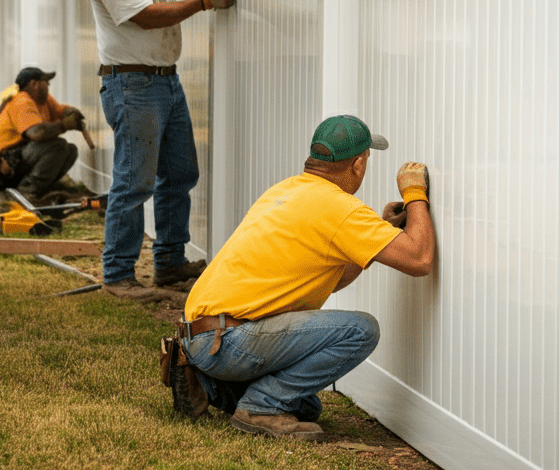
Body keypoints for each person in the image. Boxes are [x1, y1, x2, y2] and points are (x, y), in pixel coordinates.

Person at [175, 114, 434, 441]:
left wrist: (380, 231)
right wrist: (414, 194)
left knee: (306, 407)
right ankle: (259, 406)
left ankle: (213, 384)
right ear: (357, 165)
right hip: (229, 342)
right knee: (361, 329)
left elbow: (335, 278)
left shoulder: (286, 190)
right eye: (366, 161)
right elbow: (419, 258)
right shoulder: (341, 208)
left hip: (201, 335)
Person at [86, 0, 244, 301]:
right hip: (131, 86)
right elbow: (145, 17)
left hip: (164, 82)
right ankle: (118, 275)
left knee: (180, 172)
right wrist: (205, 1)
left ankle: (170, 264)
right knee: (134, 181)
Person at [0, 67, 87, 201]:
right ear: (34, 84)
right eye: (45, 82)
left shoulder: (43, 100)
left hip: (19, 157)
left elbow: (60, 110)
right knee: (58, 146)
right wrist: (65, 125)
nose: (48, 85)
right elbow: (36, 133)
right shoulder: (22, 102)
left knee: (70, 150)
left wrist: (71, 112)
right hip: (1, 164)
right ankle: (26, 191)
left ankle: (38, 187)